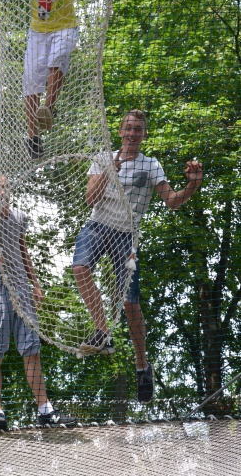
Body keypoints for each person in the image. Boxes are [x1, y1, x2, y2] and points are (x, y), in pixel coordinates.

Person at [72, 110, 203, 402]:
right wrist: (111, 168)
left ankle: (142, 365)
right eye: (128, 128)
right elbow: (90, 199)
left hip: (127, 235)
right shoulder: (103, 157)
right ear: (120, 132)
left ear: (144, 135)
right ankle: (103, 333)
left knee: (130, 302)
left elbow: (171, 202)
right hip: (98, 225)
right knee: (80, 267)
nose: (132, 133)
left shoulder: (151, 164)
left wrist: (192, 183)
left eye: (138, 130)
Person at [0, 173, 77, 430]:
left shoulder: (20, 217)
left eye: (5, 186)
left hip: (22, 288)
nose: (2, 191)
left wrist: (35, 284)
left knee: (31, 349)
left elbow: (23, 250)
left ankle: (45, 411)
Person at [4, 0, 100, 160]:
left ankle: (49, 107)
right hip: (38, 31)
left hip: (64, 27)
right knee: (30, 83)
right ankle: (33, 137)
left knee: (56, 62)